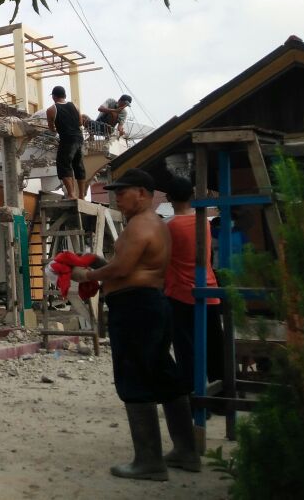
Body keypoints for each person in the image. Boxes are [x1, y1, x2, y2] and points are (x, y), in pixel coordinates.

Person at [71, 168, 201, 480]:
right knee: (163, 374)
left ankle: (149, 461)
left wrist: (87, 275)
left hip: (135, 309)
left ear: (142, 192)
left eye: (122, 191)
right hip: (149, 304)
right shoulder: (152, 223)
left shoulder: (142, 224)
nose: (116, 197)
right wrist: (103, 266)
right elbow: (128, 266)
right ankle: (185, 451)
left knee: (134, 377)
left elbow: (126, 266)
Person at [164, 175, 225, 391]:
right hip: (209, 290)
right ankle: (220, 397)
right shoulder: (204, 223)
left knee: (186, 349)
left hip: (180, 294)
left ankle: (194, 396)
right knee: (214, 347)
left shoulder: (168, 227)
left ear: (169, 198)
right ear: (192, 195)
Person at [45, 85, 86, 199]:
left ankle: (72, 194)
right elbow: (80, 123)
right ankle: (82, 195)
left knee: (64, 165)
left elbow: (51, 128)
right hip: (79, 138)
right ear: (64, 95)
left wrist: (59, 128)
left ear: (53, 96)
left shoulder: (51, 110)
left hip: (67, 139)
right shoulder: (75, 106)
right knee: (78, 165)